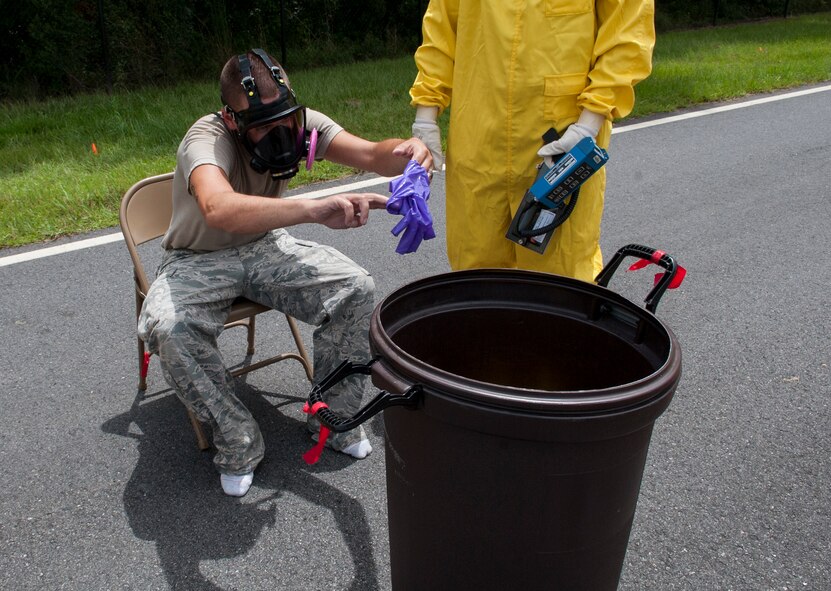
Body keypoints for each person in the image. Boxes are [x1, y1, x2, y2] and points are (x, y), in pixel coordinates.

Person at [138, 48, 432, 497]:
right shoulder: (207, 137)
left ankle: (335, 422)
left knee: (354, 288)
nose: (280, 134)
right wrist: (312, 209)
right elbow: (218, 208)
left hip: (264, 244)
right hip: (197, 258)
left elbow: (373, 155)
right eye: (262, 125)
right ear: (232, 119)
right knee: (171, 329)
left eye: (285, 119)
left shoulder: (302, 121)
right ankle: (238, 441)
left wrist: (409, 153)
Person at [409, 0, 655, 282]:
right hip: (478, 141)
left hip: (562, 143)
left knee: (561, 283)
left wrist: (590, 122)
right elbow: (442, 29)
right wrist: (425, 117)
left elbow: (627, 33)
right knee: (477, 280)